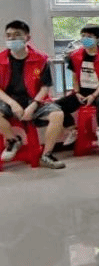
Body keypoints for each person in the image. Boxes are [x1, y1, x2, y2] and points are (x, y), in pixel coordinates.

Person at [0, 20, 66, 169]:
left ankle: (46, 155)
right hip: (9, 100)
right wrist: (12, 104)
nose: (12, 39)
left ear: (27, 38)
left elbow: (45, 87)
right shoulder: (1, 59)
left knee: (58, 114)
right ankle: (13, 141)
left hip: (34, 100)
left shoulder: (41, 59)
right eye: (9, 35)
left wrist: (33, 105)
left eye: (17, 35)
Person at [56, 24, 99, 148]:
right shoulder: (75, 56)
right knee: (57, 106)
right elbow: (74, 76)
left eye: (89, 36)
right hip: (82, 92)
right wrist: (77, 93)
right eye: (83, 36)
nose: (85, 39)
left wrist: (94, 95)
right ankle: (72, 130)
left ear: (98, 39)